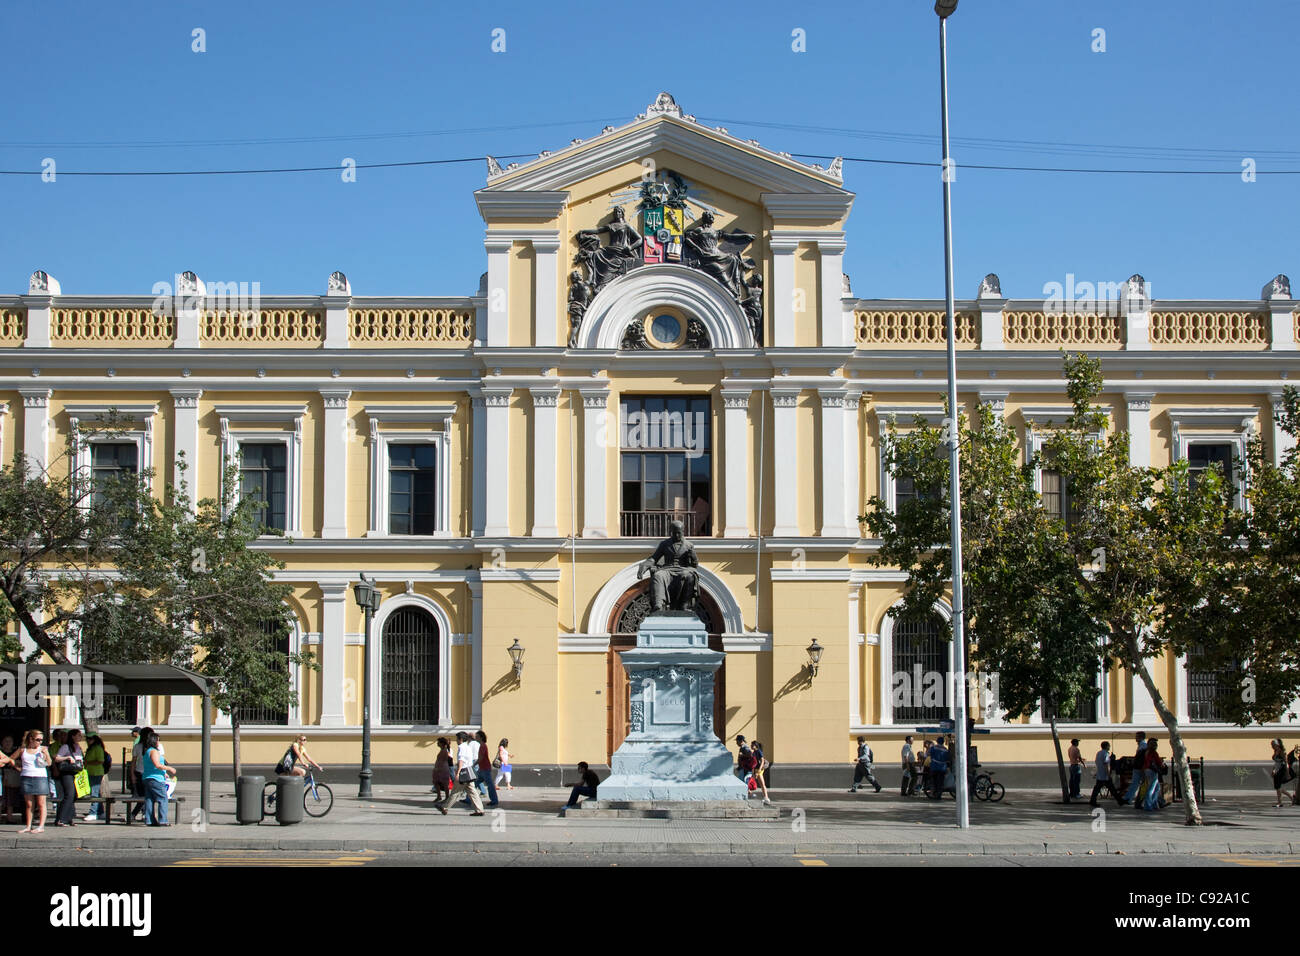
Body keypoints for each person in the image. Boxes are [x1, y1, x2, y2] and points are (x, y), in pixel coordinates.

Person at [15, 729, 52, 833]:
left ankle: (41, 826)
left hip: (40, 777)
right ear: (31, 739)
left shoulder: (42, 749)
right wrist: (18, 768)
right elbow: (11, 759)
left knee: (41, 803)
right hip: (26, 777)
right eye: (38, 740)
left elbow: (49, 763)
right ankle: (28, 826)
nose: (40, 742)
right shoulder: (23, 749)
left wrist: (46, 754)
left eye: (41, 740)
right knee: (29, 804)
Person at [140, 729, 177, 826]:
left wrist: (164, 773)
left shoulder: (147, 751)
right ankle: (163, 820)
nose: (159, 742)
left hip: (148, 777)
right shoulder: (153, 751)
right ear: (154, 741)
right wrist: (169, 768)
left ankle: (149, 820)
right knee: (163, 798)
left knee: (149, 799)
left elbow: (152, 765)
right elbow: (157, 764)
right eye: (158, 740)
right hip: (155, 779)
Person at [53, 728, 85, 827]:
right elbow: (57, 758)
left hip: (76, 773)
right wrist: (67, 757)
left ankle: (69, 818)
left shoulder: (78, 747)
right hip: (67, 773)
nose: (81, 737)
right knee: (69, 794)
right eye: (78, 735)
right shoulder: (66, 747)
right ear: (73, 736)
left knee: (75, 795)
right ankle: (61, 819)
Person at [453, 732, 484, 815]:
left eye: (457, 739)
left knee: (455, 791)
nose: (456, 741)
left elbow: (461, 760)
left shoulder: (462, 747)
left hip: (464, 771)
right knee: (473, 791)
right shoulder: (468, 746)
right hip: (470, 770)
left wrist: (458, 772)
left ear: (461, 739)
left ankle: (444, 807)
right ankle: (480, 810)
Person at [1089, 741, 1123, 807]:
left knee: (1097, 788)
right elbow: (1106, 764)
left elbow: (1096, 762)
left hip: (1100, 774)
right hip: (1105, 775)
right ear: (1107, 746)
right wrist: (1108, 774)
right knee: (1111, 788)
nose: (1109, 747)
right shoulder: (1106, 754)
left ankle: (1092, 800)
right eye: (1109, 746)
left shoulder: (1098, 753)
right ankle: (1120, 801)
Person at [82, 735, 107, 821]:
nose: (87, 741)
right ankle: (100, 812)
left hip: (96, 773)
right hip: (90, 772)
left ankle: (93, 813)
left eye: (89, 739)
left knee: (94, 793)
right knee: (97, 793)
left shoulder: (97, 748)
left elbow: (100, 760)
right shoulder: (90, 748)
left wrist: (89, 762)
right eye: (87, 739)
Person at [475, 730, 499, 808]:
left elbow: (481, 758)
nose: (476, 738)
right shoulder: (482, 745)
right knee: (475, 783)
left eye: (477, 736)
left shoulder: (483, 746)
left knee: (489, 785)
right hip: (482, 768)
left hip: (485, 768)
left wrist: (474, 764)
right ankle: (469, 799)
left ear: (481, 737)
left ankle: (494, 800)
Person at [1123, 732, 1147, 804]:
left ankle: (1130, 798)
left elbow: (1142, 758)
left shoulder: (1143, 745)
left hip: (1140, 767)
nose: (1135, 738)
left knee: (1141, 784)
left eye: (1137, 737)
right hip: (1138, 767)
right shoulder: (1142, 745)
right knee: (1137, 783)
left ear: (1141, 737)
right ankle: (1129, 798)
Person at [128, 726, 146, 822]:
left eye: (133, 732)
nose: (131, 733)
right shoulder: (138, 745)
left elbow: (134, 761)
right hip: (141, 773)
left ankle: (135, 814)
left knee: (143, 796)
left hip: (140, 772)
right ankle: (141, 814)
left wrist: (132, 774)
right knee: (144, 796)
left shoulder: (137, 744)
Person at [432, 737, 453, 815]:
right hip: (439, 769)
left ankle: (447, 797)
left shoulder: (445, 751)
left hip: (443, 769)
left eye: (438, 742)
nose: (437, 743)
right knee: (436, 782)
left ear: (442, 743)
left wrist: (438, 768)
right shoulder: (442, 750)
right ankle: (439, 796)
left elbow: (444, 760)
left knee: (444, 783)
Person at [0, 735, 19, 824]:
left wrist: (6, 762)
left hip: (10, 776)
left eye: (9, 741)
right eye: (5, 741)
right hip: (2, 775)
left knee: (9, 797)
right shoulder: (1, 751)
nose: (7, 743)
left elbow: (10, 760)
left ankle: (9, 816)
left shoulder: (15, 752)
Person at [750, 740, 772, 806]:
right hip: (756, 769)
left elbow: (762, 761)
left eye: (752, 745)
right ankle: (764, 797)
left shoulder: (759, 751)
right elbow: (754, 762)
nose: (751, 746)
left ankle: (766, 798)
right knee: (758, 783)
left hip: (759, 770)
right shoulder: (754, 752)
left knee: (762, 784)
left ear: (755, 746)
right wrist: (753, 771)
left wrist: (759, 770)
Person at [1271, 739, 1288, 807]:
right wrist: (1273, 770)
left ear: (1277, 744)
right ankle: (1291, 798)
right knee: (1277, 787)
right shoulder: (1275, 751)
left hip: (1281, 769)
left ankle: (1280, 802)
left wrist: (1287, 772)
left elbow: (1285, 762)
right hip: (1277, 769)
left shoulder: (1281, 752)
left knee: (1278, 786)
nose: (1272, 746)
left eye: (1273, 745)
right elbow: (1276, 762)